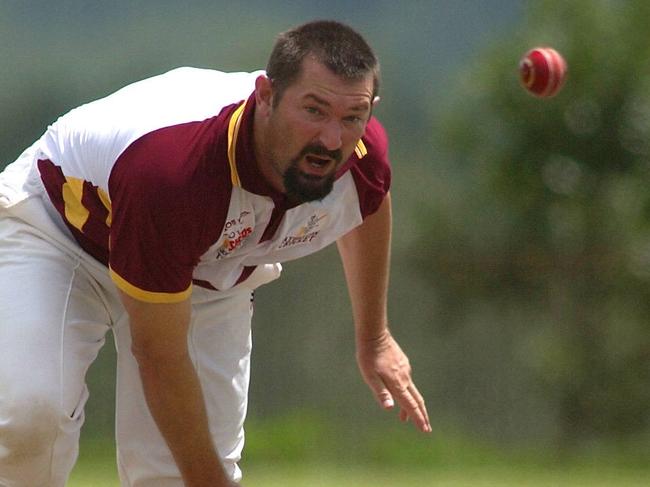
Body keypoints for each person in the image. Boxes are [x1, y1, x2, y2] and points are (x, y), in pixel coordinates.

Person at [0, 19, 430, 487]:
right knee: (28, 419)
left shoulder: (362, 155)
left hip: (204, 265)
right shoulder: (174, 170)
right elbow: (159, 356)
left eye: (352, 116)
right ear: (266, 95)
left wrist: (374, 339)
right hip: (63, 232)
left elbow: (364, 206)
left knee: (174, 474)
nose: (332, 138)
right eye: (314, 109)